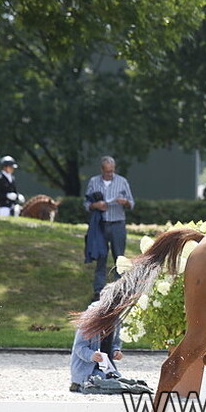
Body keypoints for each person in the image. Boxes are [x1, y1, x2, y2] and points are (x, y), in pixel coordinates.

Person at [84, 156, 135, 301]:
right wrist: (95, 205)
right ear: (102, 170)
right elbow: (86, 204)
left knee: (119, 258)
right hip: (100, 224)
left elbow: (132, 203)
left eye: (112, 171)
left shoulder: (122, 181)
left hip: (117, 224)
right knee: (101, 257)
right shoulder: (94, 181)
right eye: (107, 171)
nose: (110, 174)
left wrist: (125, 202)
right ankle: (98, 291)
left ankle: (119, 291)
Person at [69, 301, 123, 392]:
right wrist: (91, 355)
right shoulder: (88, 320)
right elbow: (79, 347)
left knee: (119, 382)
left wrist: (116, 351)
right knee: (104, 382)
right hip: (86, 369)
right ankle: (77, 384)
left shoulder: (116, 320)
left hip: (106, 367)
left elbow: (115, 342)